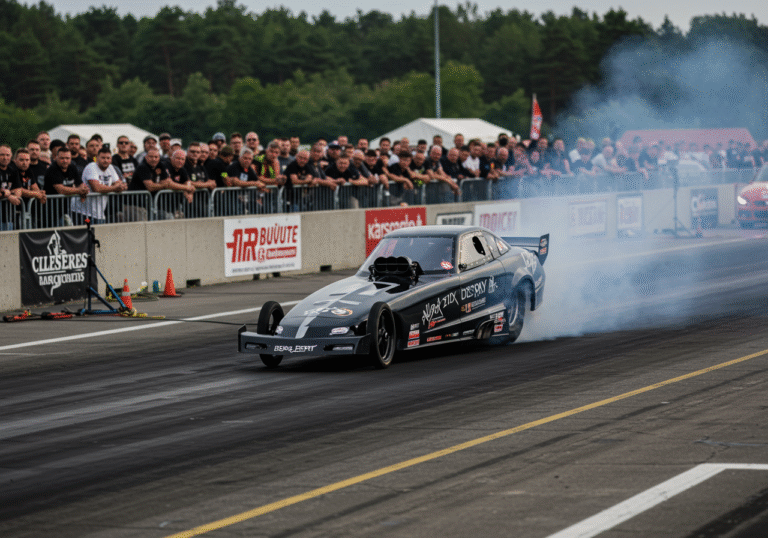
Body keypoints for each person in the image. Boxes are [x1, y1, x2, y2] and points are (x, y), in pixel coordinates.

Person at [71, 146, 126, 224]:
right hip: (82, 212)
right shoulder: (91, 167)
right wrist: (114, 188)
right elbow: (96, 188)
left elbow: (120, 184)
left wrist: (119, 187)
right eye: (103, 158)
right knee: (85, 235)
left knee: (97, 235)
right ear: (97, 158)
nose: (106, 160)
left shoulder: (110, 168)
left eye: (108, 158)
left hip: (98, 212)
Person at [43, 148, 88, 226]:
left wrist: (84, 189)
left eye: (67, 158)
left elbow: (80, 183)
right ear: (56, 157)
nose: (65, 160)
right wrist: (79, 191)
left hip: (66, 209)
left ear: (70, 158)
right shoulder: (52, 169)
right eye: (62, 158)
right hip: (49, 211)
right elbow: (60, 189)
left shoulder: (72, 167)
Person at [0, 144, 22, 229]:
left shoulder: (13, 170)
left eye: (7, 155)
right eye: (2, 155)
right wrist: (8, 195)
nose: (5, 158)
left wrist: (10, 195)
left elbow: (18, 191)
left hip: (9, 217)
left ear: (11, 156)